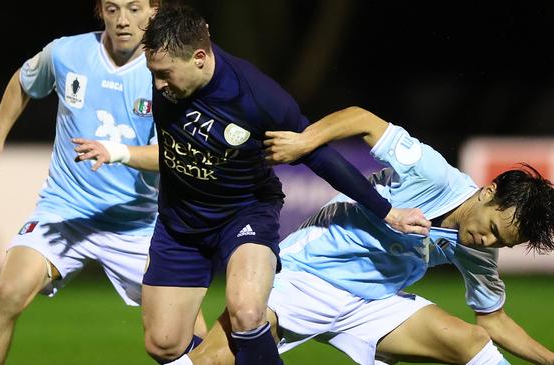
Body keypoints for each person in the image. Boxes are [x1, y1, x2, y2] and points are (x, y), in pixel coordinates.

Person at [133, 5, 431, 365]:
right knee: (163, 344)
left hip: (244, 214)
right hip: (179, 220)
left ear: (199, 57)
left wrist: (386, 212)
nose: (159, 84)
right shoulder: (166, 67)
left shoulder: (256, 97)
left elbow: (318, 155)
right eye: (154, 73)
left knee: (246, 311)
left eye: (165, 74)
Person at [169, 106, 554, 365]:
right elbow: (360, 118)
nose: (489, 243)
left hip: (372, 305)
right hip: (306, 278)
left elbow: (494, 321)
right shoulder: (432, 173)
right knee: (213, 360)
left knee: (471, 343)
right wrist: (306, 140)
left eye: (502, 243)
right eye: (492, 230)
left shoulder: (479, 252)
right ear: (488, 193)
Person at [0, 1, 206, 365]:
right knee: (8, 292)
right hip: (65, 210)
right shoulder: (66, 53)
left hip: (137, 223)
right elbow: (23, 81)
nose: (123, 20)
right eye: (112, 9)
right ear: (101, 12)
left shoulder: (167, 73)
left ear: (154, 13)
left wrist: (118, 152)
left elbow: (177, 155)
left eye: (135, 9)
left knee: (184, 333)